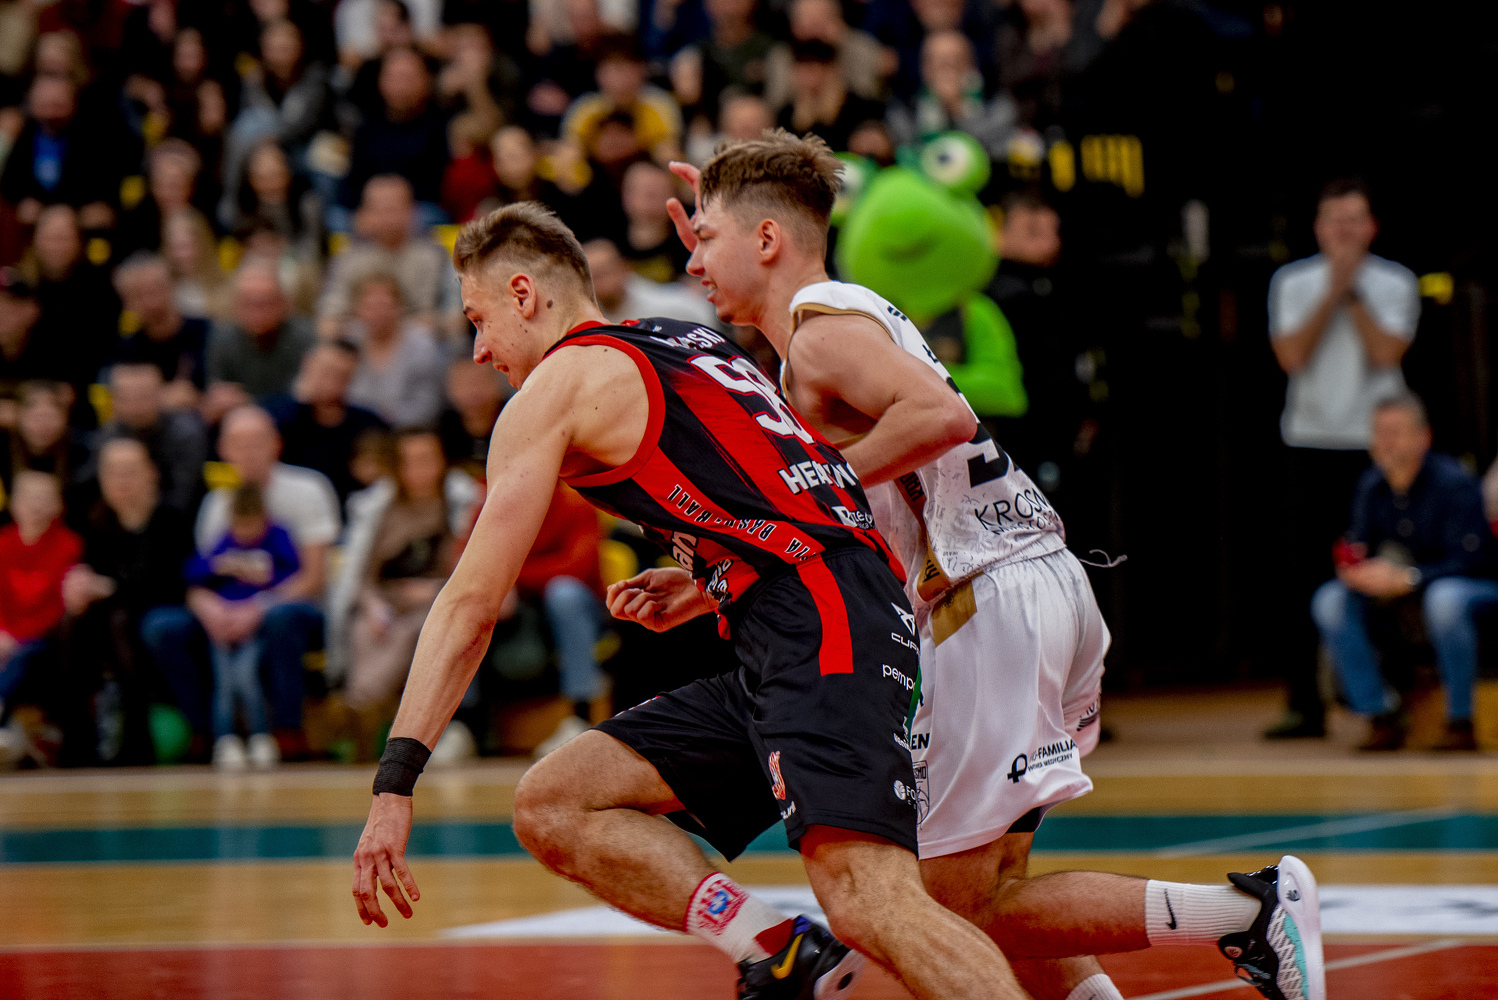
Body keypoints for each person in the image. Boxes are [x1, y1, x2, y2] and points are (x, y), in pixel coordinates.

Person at [659, 132, 1325, 1000]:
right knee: (988, 888)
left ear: (768, 239)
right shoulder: (843, 319)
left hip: (983, 600)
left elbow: (937, 416)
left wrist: (803, 490)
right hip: (1030, 581)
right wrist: (719, 571)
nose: (693, 262)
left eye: (706, 238)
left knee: (947, 906)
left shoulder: (821, 336)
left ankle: (1248, 913)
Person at [350, 202, 1027, 1000]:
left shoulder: (558, 385)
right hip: (801, 616)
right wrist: (712, 579)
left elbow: (469, 606)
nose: (478, 349)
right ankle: (776, 950)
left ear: (524, 293)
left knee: (869, 898)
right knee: (557, 802)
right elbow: (801, 491)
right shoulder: (689, 341)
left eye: (479, 318)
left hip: (824, 622)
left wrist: (394, 785)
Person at [1266, 178, 1420, 740]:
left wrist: (1353, 293)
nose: (1344, 230)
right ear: (1318, 227)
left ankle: (1391, 697)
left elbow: (1386, 352)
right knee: (1302, 575)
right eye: (1334, 219)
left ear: (1372, 227)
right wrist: (1331, 289)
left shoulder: (1395, 282)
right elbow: (1291, 355)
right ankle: (1303, 703)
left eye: (1355, 219)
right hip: (1308, 440)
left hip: (1376, 446)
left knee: (1385, 566)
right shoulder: (1292, 281)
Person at [142, 406, 339, 760]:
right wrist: (210, 609)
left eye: (256, 442)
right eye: (238, 443)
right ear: (223, 450)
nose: (248, 452)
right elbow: (201, 576)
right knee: (162, 627)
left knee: (280, 620)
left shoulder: (308, 488)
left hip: (296, 609)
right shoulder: (216, 503)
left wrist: (258, 608)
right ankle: (206, 733)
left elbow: (313, 578)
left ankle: (287, 732)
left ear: (276, 444)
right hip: (230, 609)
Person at [1312, 394, 1497, 752]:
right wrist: (1357, 572)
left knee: (1446, 600)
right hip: (1400, 593)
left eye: (1395, 432)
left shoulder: (1454, 484)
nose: (1385, 442)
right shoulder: (1371, 485)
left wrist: (1410, 577)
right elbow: (1358, 547)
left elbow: (1474, 560)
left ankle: (1461, 721)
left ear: (1423, 438)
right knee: (1330, 600)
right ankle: (1379, 713)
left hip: (1471, 587)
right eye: (1379, 433)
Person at [61, 438, 194, 766]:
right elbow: (90, 570)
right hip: (112, 610)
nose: (121, 480)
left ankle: (136, 739)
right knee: (70, 625)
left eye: (129, 471)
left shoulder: (172, 518)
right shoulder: (95, 519)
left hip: (159, 611)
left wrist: (109, 588)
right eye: (112, 472)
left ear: (151, 473)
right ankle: (77, 739)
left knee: (121, 622)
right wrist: (78, 584)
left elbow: (173, 583)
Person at [328, 429, 475, 712]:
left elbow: (473, 571)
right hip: (386, 603)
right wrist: (373, 606)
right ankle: (363, 710)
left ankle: (360, 706)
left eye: (425, 459)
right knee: (364, 632)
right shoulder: (376, 508)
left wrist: (436, 590)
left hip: (437, 603)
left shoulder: (463, 504)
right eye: (407, 461)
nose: (416, 469)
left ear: (443, 461)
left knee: (415, 633)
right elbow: (359, 576)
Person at [185, 482, 299, 769]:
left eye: (251, 525)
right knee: (223, 682)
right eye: (240, 525)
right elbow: (193, 570)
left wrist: (264, 585)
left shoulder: (277, 537)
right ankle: (225, 739)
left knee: (247, 676)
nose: (245, 532)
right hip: (223, 625)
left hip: (253, 624)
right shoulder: (225, 541)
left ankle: (260, 735)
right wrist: (219, 566)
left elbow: (293, 573)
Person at [317, 175, 460, 339]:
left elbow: (455, 320)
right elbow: (327, 322)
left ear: (412, 211)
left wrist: (396, 329)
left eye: (393, 209)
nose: (387, 217)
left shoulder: (435, 257)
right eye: (378, 209)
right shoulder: (347, 261)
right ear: (363, 213)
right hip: (362, 344)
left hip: (423, 343)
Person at [523, 482, 607, 758]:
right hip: (523, 612)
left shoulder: (576, 504)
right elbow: (467, 561)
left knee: (564, 594)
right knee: (469, 599)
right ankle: (462, 725)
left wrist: (512, 576)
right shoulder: (489, 504)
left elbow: (578, 567)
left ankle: (580, 716)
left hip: (585, 611)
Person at [0, 472, 82, 732]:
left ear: (59, 505)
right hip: (5, 634)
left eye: (45, 499)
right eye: (29, 499)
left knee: (25, 656)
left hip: (42, 639)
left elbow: (59, 606)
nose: (36, 507)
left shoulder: (69, 545)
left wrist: (16, 637)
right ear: (14, 504)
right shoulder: (3, 544)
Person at [268, 341, 389, 505]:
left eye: (342, 376)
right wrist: (302, 399)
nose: (331, 382)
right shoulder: (276, 416)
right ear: (308, 365)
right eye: (326, 371)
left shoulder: (369, 424)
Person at [342, 47, 451, 214]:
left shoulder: (443, 125)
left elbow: (443, 185)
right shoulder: (366, 127)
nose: (400, 86)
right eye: (393, 77)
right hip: (373, 209)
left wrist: (398, 197)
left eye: (407, 78)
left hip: (420, 208)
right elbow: (353, 183)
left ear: (425, 80)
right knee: (336, 218)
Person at [204, 260, 317, 421]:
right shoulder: (222, 337)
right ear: (235, 305)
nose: (258, 312)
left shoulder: (305, 336)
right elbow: (217, 394)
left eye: (266, 302)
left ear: (285, 303)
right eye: (249, 303)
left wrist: (248, 402)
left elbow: (305, 397)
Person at [91, 363, 209, 516]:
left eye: (143, 396)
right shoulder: (108, 435)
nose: (135, 405)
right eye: (126, 397)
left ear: (161, 394)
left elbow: (184, 495)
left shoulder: (185, 433)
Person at [343, 273, 447, 429]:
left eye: (384, 305)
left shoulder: (422, 346)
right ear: (356, 309)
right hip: (356, 432)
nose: (378, 313)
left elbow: (428, 404)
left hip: (410, 431)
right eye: (370, 306)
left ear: (399, 307)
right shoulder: (347, 343)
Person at [112, 253, 210, 408]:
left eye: (156, 290)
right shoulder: (126, 351)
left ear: (172, 287)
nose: (151, 302)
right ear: (127, 302)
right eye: (139, 295)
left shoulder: (208, 332)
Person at [776, 40, 887, 153]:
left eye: (810, 70)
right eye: (799, 71)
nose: (804, 79)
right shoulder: (786, 114)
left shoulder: (861, 107)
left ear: (830, 70)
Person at [583, 238, 718, 328]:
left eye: (604, 272)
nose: (600, 282)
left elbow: (701, 313)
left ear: (624, 268)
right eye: (592, 276)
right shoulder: (584, 316)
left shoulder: (665, 303)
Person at [436, 356, 507, 478]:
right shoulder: (441, 430)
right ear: (450, 388)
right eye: (464, 383)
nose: (473, 390)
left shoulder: (515, 418)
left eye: (480, 381)